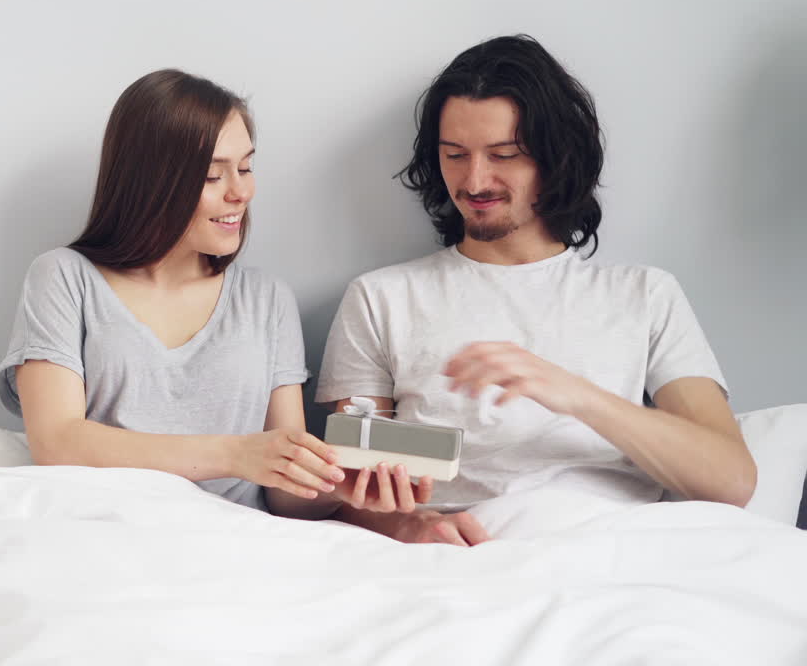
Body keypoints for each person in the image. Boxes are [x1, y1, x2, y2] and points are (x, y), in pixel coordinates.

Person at [315, 35, 756, 545]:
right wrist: (412, 525)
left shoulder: (645, 295)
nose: (475, 181)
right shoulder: (381, 298)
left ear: (556, 157)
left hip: (610, 547)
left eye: (504, 155)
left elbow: (731, 480)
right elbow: (351, 488)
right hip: (466, 550)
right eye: (455, 155)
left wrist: (573, 394)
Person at [0, 69, 425, 518]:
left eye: (245, 168)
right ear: (148, 181)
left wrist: (337, 487)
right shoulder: (65, 278)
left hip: (236, 539)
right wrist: (236, 454)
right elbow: (57, 443)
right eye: (212, 176)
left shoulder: (266, 300)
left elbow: (283, 497)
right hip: (109, 528)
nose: (241, 192)